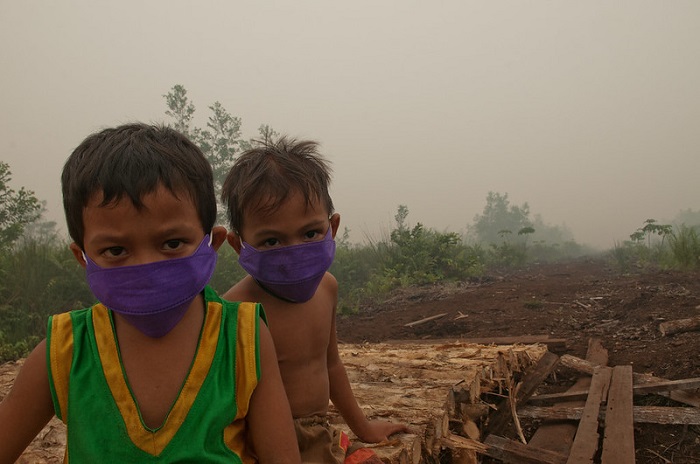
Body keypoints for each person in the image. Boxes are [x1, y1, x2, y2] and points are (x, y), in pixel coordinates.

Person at [0, 123, 301, 463]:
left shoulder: (245, 339)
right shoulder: (64, 352)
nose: (146, 267)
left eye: (172, 244)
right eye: (116, 250)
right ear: (83, 258)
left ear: (212, 243)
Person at [221, 137, 409, 463]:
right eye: (271, 241)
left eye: (310, 234)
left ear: (332, 228)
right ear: (239, 246)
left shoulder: (327, 288)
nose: (294, 251)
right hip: (259, 445)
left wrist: (363, 427)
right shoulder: (234, 310)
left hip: (320, 434)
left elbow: (330, 363)